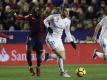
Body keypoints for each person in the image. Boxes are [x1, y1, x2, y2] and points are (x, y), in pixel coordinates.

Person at [44, 8, 76, 78]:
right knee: (61, 56)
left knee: (62, 57)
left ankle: (48, 56)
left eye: (68, 12)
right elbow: (45, 21)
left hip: (59, 39)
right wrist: (48, 27)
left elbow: (67, 32)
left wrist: (71, 41)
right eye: (66, 11)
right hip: (50, 38)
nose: (67, 13)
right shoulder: (54, 17)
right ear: (62, 11)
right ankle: (62, 72)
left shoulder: (68, 21)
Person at [26, 4, 46, 76]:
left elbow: (46, 28)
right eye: (36, 10)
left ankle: (38, 68)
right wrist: (15, 15)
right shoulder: (30, 16)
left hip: (39, 39)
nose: (38, 11)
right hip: (32, 37)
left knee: (39, 56)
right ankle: (30, 67)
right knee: (28, 50)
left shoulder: (43, 19)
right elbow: (21, 18)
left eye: (39, 10)